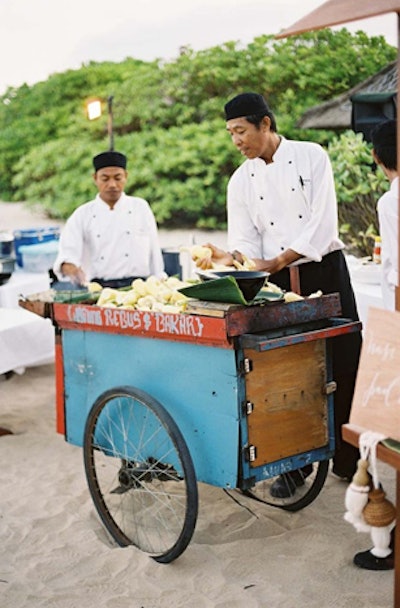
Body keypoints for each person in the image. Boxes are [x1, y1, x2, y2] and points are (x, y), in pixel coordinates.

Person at [197, 92, 362, 497]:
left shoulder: (311, 156)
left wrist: (278, 260)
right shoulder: (241, 180)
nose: (236, 141)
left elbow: (323, 224)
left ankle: (350, 457)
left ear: (265, 124)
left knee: (343, 361)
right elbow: (244, 244)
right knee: (285, 372)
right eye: (230, 133)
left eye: (241, 131)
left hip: (323, 270)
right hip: (277, 285)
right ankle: (295, 466)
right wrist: (230, 257)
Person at [353, 118, 398, 571]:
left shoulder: (392, 199)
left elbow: (398, 275)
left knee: (382, 435)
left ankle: (385, 545)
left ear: (377, 156)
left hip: (398, 330)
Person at [53, 150, 164, 288]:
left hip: (139, 288)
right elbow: (67, 254)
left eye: (118, 178)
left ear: (126, 176)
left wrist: (159, 278)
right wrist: (71, 268)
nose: (112, 184)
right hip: (98, 289)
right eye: (105, 179)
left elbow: (154, 252)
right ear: (95, 178)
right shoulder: (82, 214)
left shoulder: (140, 207)